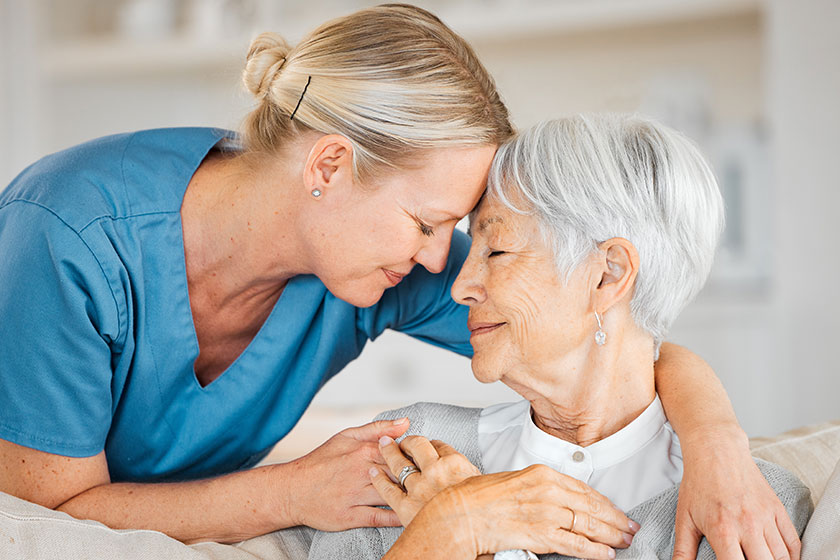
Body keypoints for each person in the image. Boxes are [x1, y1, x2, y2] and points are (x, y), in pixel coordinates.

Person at [0, 3, 796, 555]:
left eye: (458, 235)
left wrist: (719, 448)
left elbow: (618, 339)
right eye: (428, 225)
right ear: (331, 163)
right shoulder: (67, 238)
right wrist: (293, 494)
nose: (439, 264)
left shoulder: (373, 264)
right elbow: (45, 520)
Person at [305, 115, 811, 560]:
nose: (459, 286)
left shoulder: (744, 507)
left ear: (608, 275)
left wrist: (474, 543)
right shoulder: (411, 453)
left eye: (497, 250)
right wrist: (450, 528)